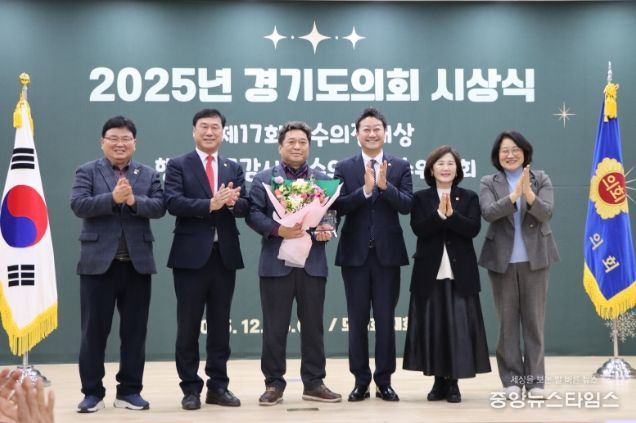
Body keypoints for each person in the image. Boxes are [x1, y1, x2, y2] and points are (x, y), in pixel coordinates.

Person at [70, 116, 165, 413]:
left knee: (135, 333)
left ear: (134, 143)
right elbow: (78, 205)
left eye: (125, 139)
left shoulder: (148, 174)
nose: (119, 144)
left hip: (137, 265)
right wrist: (112, 198)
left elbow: (159, 207)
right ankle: (92, 393)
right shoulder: (87, 171)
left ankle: (129, 391)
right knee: (93, 332)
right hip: (98, 265)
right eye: (113, 138)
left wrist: (134, 201)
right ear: (103, 142)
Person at [246, 121, 342, 406]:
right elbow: (253, 213)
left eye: (302, 142)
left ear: (309, 146)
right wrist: (279, 229)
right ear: (280, 146)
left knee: (313, 327)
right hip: (276, 264)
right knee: (274, 327)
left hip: (312, 263)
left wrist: (327, 229)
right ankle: (274, 384)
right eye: (291, 142)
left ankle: (314, 383)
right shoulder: (265, 179)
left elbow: (331, 213)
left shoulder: (322, 179)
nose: (297, 146)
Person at [164, 108, 248, 410]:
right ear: (194, 131)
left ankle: (218, 386)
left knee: (220, 326)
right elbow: (172, 202)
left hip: (224, 257)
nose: (210, 132)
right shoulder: (178, 165)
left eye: (215, 127)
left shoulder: (232, 167)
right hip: (190, 258)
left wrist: (235, 203)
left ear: (223, 132)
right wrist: (209, 204)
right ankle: (190, 388)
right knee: (188, 326)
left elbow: (246, 205)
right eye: (204, 127)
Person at [333, 108, 413, 402]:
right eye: (366, 129)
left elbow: (407, 205)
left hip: (387, 257)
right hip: (354, 256)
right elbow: (337, 206)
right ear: (357, 134)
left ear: (385, 132)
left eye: (376, 128)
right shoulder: (344, 167)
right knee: (357, 321)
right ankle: (361, 381)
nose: (371, 133)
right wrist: (365, 191)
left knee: (385, 320)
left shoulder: (400, 166)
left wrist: (384, 187)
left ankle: (384, 381)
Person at [402, 145, 491, 403]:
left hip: (460, 273)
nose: (445, 168)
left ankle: (453, 383)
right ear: (431, 169)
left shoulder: (469, 197)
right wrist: (439, 214)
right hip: (429, 273)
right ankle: (438, 381)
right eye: (440, 163)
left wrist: (451, 216)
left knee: (458, 329)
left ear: (458, 169)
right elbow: (419, 228)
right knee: (434, 328)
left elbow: (472, 229)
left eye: (450, 163)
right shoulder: (421, 198)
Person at [478, 131, 559, 399]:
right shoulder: (488, 182)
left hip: (536, 260)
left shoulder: (541, 178)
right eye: (504, 150)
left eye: (515, 150)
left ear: (525, 152)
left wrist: (529, 195)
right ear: (497, 155)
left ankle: (535, 383)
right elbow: (489, 212)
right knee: (507, 325)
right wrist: (514, 196)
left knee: (534, 323)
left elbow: (547, 212)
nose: (510, 155)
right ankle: (511, 380)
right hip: (501, 261)